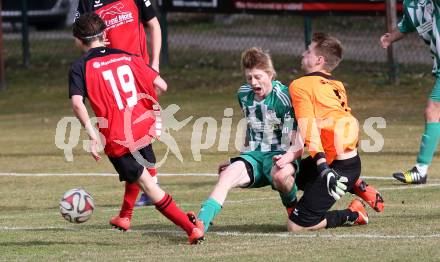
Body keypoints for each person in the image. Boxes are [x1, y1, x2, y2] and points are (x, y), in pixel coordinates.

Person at [69, 13, 204, 244]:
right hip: (141, 127)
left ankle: (190, 228)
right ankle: (124, 216)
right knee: (143, 175)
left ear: (78, 41)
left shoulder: (80, 67)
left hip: (118, 138)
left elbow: (77, 103)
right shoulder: (126, 56)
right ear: (105, 35)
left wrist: (93, 136)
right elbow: (161, 84)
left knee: (148, 185)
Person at [277, 32, 383, 231]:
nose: (303, 53)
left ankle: (353, 214)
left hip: (339, 166)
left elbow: (308, 126)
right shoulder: (336, 84)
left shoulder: (300, 85)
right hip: (342, 159)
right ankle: (354, 184)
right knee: (280, 176)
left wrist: (323, 167)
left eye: (308, 50)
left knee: (296, 226)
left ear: (319, 59)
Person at [75, 0, 162, 231]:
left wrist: (154, 64)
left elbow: (154, 24)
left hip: (135, 72)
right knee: (132, 141)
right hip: (110, 78)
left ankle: (150, 192)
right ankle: (137, 203)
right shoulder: (86, 2)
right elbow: (81, 32)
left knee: (139, 139)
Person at [194, 47, 301, 234]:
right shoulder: (243, 94)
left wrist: (285, 160)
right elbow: (251, 125)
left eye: (258, 77)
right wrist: (241, 158)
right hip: (256, 156)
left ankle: (294, 210)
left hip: (281, 156)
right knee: (226, 175)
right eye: (249, 77)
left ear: (270, 74)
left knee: (279, 175)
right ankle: (200, 223)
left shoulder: (284, 98)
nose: (253, 82)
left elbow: (296, 142)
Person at [380, 0, 439, 184]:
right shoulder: (411, 5)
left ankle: (420, 171)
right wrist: (390, 38)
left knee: (432, 111)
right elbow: (407, 24)